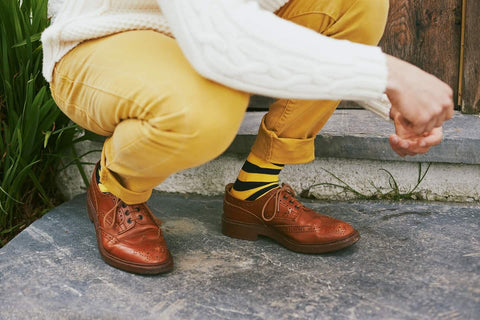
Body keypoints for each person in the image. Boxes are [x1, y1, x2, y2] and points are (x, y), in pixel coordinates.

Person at [42, 0, 454, 274]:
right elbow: (218, 40)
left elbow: (258, 19)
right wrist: (389, 75)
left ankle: (255, 190)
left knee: (354, 1)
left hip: (210, 38)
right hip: (104, 38)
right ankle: (115, 188)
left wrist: (392, 101)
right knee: (200, 111)